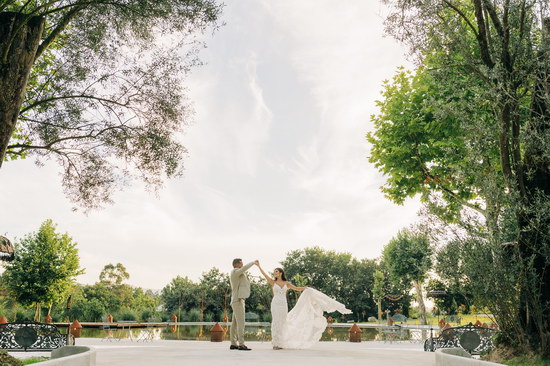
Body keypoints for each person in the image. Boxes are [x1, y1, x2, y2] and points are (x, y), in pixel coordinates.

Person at [257, 264, 306, 350]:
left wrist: (305, 288)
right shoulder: (273, 282)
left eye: (276, 271)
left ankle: (281, 343)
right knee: (276, 321)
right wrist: (259, 266)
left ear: (280, 273)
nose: (274, 273)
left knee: (282, 322)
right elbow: (265, 275)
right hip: (275, 303)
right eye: (274, 272)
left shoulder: (286, 283)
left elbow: (297, 288)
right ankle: (275, 344)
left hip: (283, 304)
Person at [229, 258, 257, 351]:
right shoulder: (235, 271)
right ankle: (241, 344)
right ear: (237, 264)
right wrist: (253, 262)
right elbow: (244, 268)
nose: (243, 264)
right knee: (241, 323)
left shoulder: (237, 272)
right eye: (241, 263)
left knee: (234, 323)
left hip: (236, 300)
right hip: (238, 300)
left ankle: (233, 343)